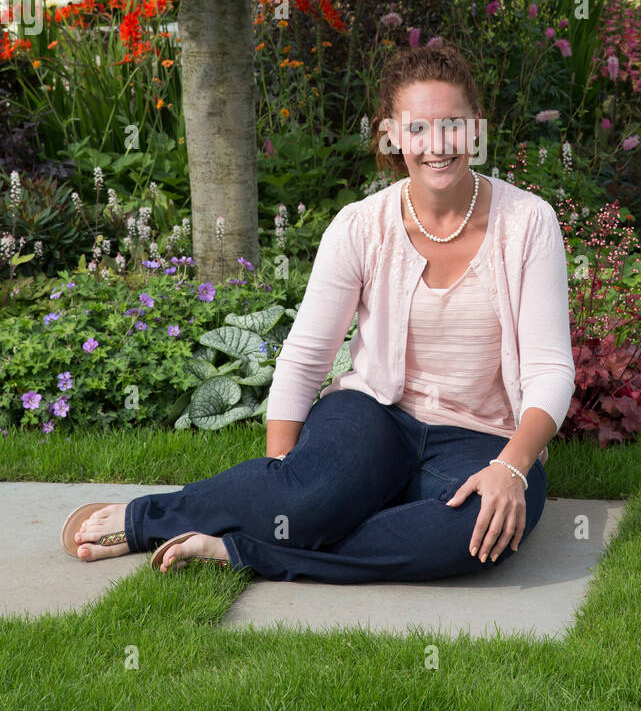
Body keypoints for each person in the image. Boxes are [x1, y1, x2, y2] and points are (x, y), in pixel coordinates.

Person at [68, 42, 576, 581]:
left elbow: (549, 369)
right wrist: (283, 484)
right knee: (311, 502)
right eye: (418, 129)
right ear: (392, 135)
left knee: (472, 534)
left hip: (483, 440)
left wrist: (511, 467)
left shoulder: (528, 223)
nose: (437, 145)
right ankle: (145, 517)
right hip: (373, 417)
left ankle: (243, 551)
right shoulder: (361, 226)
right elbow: (306, 357)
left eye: (452, 124)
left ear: (476, 127)